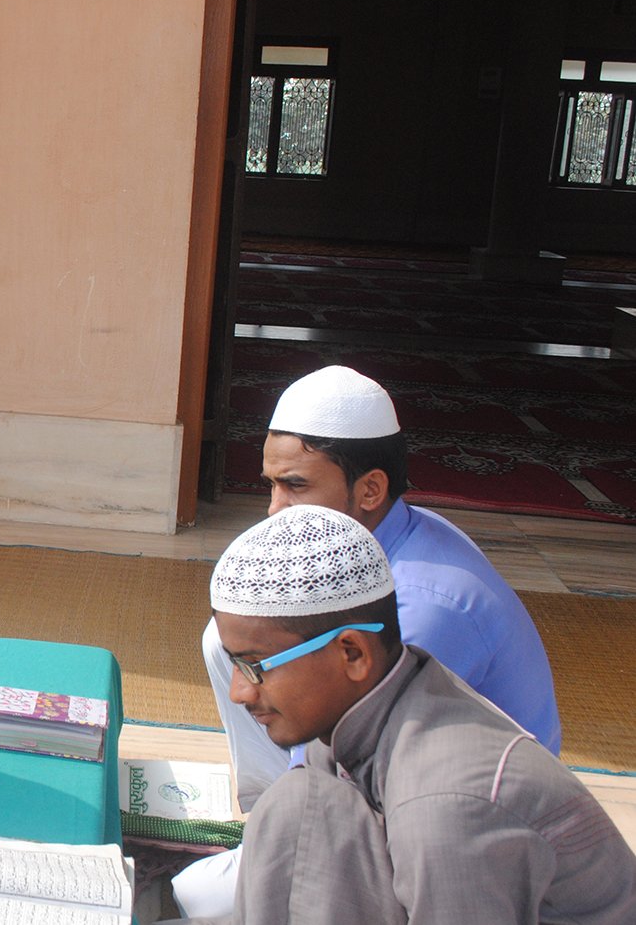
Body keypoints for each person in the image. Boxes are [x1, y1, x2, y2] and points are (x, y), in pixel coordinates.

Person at [173, 364, 562, 917]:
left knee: (197, 897)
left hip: (472, 831)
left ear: (371, 489)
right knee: (232, 638)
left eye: (296, 486)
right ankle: (269, 819)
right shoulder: (387, 537)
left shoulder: (421, 609)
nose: (274, 509)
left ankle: (279, 837)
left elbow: (368, 765)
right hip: (394, 780)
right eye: (272, 485)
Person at [160, 504, 636, 925]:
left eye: (255, 666)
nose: (239, 692)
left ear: (352, 653)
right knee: (293, 806)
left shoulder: (446, 807)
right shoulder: (378, 704)